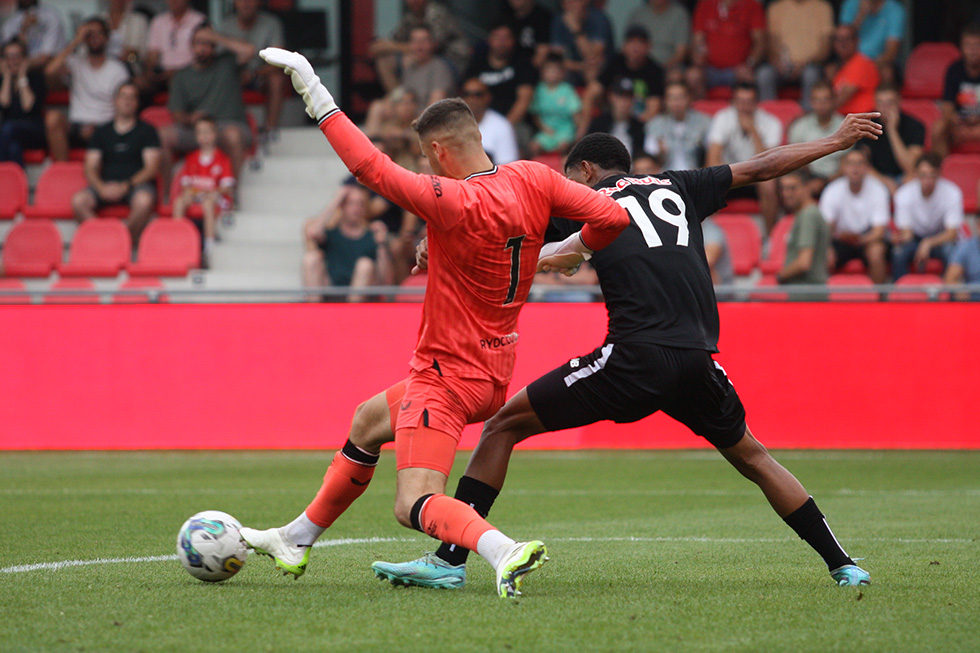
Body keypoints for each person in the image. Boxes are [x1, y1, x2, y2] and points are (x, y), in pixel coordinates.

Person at [373, 117, 882, 591]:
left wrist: (430, 241)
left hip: (634, 357)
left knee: (503, 425)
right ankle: (844, 564)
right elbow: (762, 165)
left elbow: (493, 220)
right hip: (697, 358)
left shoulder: (582, 198)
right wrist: (835, 141)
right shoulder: (680, 185)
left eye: (572, 178)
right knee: (754, 456)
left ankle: (447, 561)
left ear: (585, 172)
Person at [239, 46, 629, 599]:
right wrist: (570, 251)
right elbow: (612, 215)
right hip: (494, 370)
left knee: (412, 503)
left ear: (440, 151)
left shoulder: (452, 201)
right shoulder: (533, 180)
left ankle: (502, 550)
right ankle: (297, 537)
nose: (424, 167)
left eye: (425, 157)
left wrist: (314, 92)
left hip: (445, 375)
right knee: (368, 421)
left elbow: (368, 167)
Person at [160, 24, 255, 194]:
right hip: (198, 130)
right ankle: (167, 195)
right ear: (191, 46)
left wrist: (215, 37)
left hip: (229, 126)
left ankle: (232, 196)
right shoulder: (182, 75)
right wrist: (190, 119)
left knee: (232, 135)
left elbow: (249, 50)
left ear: (214, 46)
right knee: (162, 135)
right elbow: (176, 115)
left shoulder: (227, 62)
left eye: (207, 43)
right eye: (198, 43)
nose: (202, 48)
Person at [71, 82, 160, 244]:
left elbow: (151, 169)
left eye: (132, 97)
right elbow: (89, 167)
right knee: (78, 201)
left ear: (137, 103)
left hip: (136, 185)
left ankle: (121, 243)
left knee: (144, 201)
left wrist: (126, 185)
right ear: (115, 101)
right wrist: (101, 187)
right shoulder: (101, 132)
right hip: (105, 185)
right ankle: (104, 240)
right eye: (123, 96)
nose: (127, 101)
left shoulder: (148, 131)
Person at [44, 18, 131, 162]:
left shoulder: (117, 69)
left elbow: (123, 105)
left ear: (107, 38)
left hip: (105, 126)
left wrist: (99, 128)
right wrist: (76, 41)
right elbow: (49, 71)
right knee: (53, 118)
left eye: (99, 34)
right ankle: (62, 174)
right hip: (77, 125)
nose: (95, 38)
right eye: (90, 34)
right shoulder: (76, 62)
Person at [705, 82, 783, 231]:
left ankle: (770, 237)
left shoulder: (771, 123)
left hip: (757, 176)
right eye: (740, 102)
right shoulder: (723, 118)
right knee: (708, 181)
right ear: (733, 102)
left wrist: (753, 130)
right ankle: (709, 236)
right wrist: (720, 177)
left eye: (749, 102)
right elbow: (713, 158)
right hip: (730, 175)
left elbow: (769, 163)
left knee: (769, 184)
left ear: (757, 103)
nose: (744, 107)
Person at [302, 184, 391, 302]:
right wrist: (336, 200)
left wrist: (381, 245)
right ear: (342, 206)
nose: (357, 208)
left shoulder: (372, 236)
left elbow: (387, 281)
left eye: (361, 204)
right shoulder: (332, 234)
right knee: (311, 258)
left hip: (359, 301)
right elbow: (313, 233)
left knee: (365, 264)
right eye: (352, 203)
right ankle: (313, 312)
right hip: (330, 292)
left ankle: (350, 315)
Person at [819, 146, 891, 284]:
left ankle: (879, 301)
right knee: (824, 252)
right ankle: (823, 300)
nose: (855, 168)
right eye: (850, 163)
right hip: (841, 240)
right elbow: (826, 228)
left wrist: (859, 240)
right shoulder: (832, 190)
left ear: (867, 167)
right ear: (843, 167)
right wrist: (828, 247)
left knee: (877, 251)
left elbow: (879, 231)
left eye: (859, 163)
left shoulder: (878, 189)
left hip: (867, 239)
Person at [369, 0, 470, 94]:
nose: (413, 1)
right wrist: (381, 46)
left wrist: (392, 46)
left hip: (452, 61)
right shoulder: (412, 16)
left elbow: (433, 46)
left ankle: (414, 103)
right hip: (429, 57)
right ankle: (399, 99)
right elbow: (395, 38)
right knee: (384, 60)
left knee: (410, 59)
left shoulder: (435, 13)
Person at [172, 116, 235, 266]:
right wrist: (191, 192)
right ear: (196, 136)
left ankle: (209, 247)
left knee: (208, 202)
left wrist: (212, 192)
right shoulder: (191, 158)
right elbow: (185, 184)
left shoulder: (222, 159)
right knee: (180, 201)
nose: (204, 136)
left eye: (208, 132)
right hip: (196, 195)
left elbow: (227, 187)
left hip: (216, 198)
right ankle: (177, 240)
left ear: (215, 134)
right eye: (200, 132)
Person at [891, 153, 964, 280]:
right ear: (916, 174)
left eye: (932, 175)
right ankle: (900, 295)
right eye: (923, 175)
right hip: (914, 239)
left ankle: (949, 295)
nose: (928, 180)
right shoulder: (903, 194)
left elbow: (952, 233)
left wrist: (928, 243)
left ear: (939, 174)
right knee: (898, 253)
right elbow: (907, 233)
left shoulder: (952, 192)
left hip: (941, 239)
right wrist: (899, 238)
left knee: (951, 251)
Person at [218, 0, 285, 134]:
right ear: (235, 3)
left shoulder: (271, 23)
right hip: (232, 76)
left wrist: (254, 74)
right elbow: (217, 62)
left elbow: (279, 61)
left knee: (277, 80)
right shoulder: (225, 26)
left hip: (259, 75)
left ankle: (270, 131)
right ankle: (220, 129)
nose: (246, 3)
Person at [584, 25, 664, 132]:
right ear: (624, 46)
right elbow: (591, 92)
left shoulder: (654, 70)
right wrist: (583, 128)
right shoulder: (615, 62)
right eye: (631, 42)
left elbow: (653, 109)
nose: (636, 47)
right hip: (612, 118)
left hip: (639, 124)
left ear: (648, 46)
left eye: (640, 42)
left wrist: (634, 127)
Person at [756, 0, 833, 108]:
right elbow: (770, 43)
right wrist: (777, 61)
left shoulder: (822, 7)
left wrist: (804, 63)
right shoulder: (776, 7)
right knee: (764, 74)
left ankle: (807, 120)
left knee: (811, 74)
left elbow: (825, 49)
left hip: (810, 64)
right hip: (782, 65)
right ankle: (769, 116)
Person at [689, 0, 767, 100]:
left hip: (738, 70)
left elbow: (760, 42)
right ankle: (699, 114)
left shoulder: (751, 5)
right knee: (693, 76)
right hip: (710, 69)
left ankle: (746, 113)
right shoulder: (705, 4)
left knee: (749, 77)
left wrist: (749, 64)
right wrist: (699, 58)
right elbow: (698, 41)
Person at [463, 23, 535, 130]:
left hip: (512, 124)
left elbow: (524, 99)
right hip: (477, 124)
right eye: (497, 37)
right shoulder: (477, 64)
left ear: (514, 40)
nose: (502, 42)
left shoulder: (522, 65)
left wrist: (503, 128)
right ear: (489, 39)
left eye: (506, 38)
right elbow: (466, 97)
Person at [864, 83, 924, 194]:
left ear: (899, 102)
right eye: (881, 103)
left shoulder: (915, 126)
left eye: (889, 103)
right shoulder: (867, 124)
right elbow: (861, 163)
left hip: (905, 179)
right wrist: (885, 181)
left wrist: (892, 130)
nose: (885, 108)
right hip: (876, 179)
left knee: (914, 180)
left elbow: (911, 167)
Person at [787, 81, 844, 196]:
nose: (821, 104)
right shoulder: (799, 126)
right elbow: (792, 159)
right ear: (811, 102)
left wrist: (825, 182)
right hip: (807, 179)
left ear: (834, 100)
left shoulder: (845, 126)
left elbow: (848, 163)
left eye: (825, 100)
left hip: (838, 180)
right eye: (817, 100)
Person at [776, 170, 830, 286]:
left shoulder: (808, 216)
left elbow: (804, 262)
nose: (786, 193)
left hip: (806, 295)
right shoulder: (807, 214)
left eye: (792, 188)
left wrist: (781, 276)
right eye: (783, 188)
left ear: (807, 188)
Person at [141, 0, 206, 97]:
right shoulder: (158, 22)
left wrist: (176, 72)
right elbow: (152, 54)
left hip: (191, 73)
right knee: (140, 85)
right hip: (163, 75)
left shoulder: (199, 20)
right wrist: (151, 73)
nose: (173, 1)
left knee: (177, 80)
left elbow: (203, 54)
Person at [935, 23, 980, 159]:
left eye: (977, 45)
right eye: (968, 46)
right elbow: (947, 107)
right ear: (962, 47)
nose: (972, 50)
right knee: (938, 128)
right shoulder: (954, 70)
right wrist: (959, 124)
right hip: (959, 124)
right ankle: (941, 174)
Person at [644, 81, 711, 171]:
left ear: (689, 98)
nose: (676, 102)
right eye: (672, 98)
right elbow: (649, 158)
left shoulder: (704, 122)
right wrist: (660, 153)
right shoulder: (655, 124)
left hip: (696, 175)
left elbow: (712, 154)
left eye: (680, 97)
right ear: (665, 101)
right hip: (665, 176)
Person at [0, 37, 46, 166]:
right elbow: (4, 104)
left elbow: (27, 107)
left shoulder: (36, 77)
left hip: (34, 130)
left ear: (25, 57)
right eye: (8, 57)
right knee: (13, 148)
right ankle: (17, 183)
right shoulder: (2, 80)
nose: (13, 61)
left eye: (17, 56)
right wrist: (7, 77)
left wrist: (22, 76)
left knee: (8, 128)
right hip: (10, 134)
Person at [549, 0, 614, 88]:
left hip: (602, 69)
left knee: (592, 73)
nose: (570, 6)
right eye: (565, 3)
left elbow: (593, 56)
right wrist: (581, 66)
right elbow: (556, 59)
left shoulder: (598, 18)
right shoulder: (560, 19)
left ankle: (589, 101)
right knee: (552, 72)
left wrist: (576, 29)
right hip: (575, 68)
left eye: (574, 1)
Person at [838, 0, 904, 84]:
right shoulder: (850, 4)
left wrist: (868, 66)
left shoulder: (895, 10)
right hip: (850, 59)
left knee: (887, 72)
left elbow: (892, 50)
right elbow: (842, 38)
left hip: (877, 61)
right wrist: (861, 15)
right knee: (831, 70)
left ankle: (883, 97)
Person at [529, 52, 581, 156]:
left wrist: (577, 135)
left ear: (562, 73)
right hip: (546, 131)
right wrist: (544, 128)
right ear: (542, 72)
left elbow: (576, 114)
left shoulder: (567, 90)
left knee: (564, 147)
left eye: (556, 70)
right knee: (533, 146)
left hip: (565, 131)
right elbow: (535, 113)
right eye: (549, 70)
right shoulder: (538, 90)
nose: (552, 74)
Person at [460, 77, 519, 165]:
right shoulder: (451, 125)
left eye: (478, 94)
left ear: (488, 97)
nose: (472, 99)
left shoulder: (502, 126)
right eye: (467, 94)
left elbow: (507, 167)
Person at [585, 77, 646, 158]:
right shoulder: (598, 124)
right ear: (611, 97)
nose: (624, 102)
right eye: (620, 97)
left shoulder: (639, 128)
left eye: (628, 97)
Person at [398, 25, 456, 108]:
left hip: (429, 118)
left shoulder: (440, 68)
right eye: (415, 41)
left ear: (433, 44)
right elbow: (403, 98)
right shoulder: (409, 67)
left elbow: (434, 109)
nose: (419, 46)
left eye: (423, 41)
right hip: (409, 117)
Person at [828, 24, 879, 116]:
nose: (842, 43)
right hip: (847, 120)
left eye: (847, 38)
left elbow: (842, 98)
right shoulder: (842, 66)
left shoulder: (860, 63)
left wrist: (819, 113)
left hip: (862, 120)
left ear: (856, 41)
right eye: (838, 39)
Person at [625, 0, 690, 72]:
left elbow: (681, 53)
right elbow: (626, 47)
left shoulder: (679, 14)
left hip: (668, 68)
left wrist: (659, 69)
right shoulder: (638, 14)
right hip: (639, 66)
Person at [0, 0, 66, 71]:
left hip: (40, 69)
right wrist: (23, 30)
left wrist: (20, 65)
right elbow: (7, 50)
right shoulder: (10, 20)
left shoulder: (50, 16)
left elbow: (46, 57)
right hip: (17, 67)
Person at [501, 0, 553, 67]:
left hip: (529, 69)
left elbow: (541, 55)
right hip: (506, 67)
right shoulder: (505, 14)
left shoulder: (542, 17)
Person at [102, 0, 149, 71]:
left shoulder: (138, 20)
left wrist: (130, 57)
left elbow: (141, 54)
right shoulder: (100, 20)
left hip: (129, 69)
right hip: (101, 68)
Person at [944, 230, 980, 300]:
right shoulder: (966, 247)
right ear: (978, 226)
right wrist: (959, 291)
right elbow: (950, 278)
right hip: (972, 299)